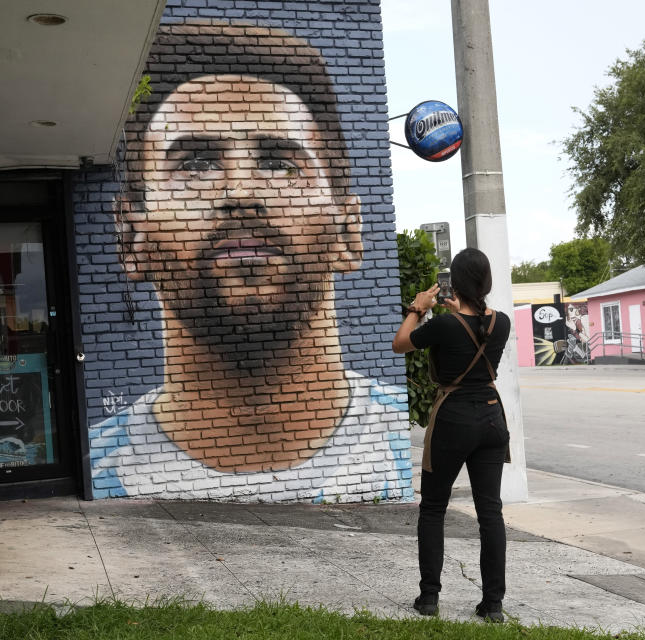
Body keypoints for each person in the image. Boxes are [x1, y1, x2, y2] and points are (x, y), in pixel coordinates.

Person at [89, 21, 411, 502]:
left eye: (280, 161)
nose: (240, 193)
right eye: (195, 163)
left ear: (348, 229)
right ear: (131, 236)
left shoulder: (400, 452)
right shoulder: (95, 469)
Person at [392, 248, 512, 622]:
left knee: (433, 509)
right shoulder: (503, 322)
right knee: (490, 512)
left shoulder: (444, 325)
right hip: (492, 417)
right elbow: (471, 331)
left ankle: (429, 598)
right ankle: (493, 605)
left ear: (454, 284)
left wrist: (417, 308)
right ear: (487, 282)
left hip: (454, 419)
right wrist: (452, 314)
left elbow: (401, 343)